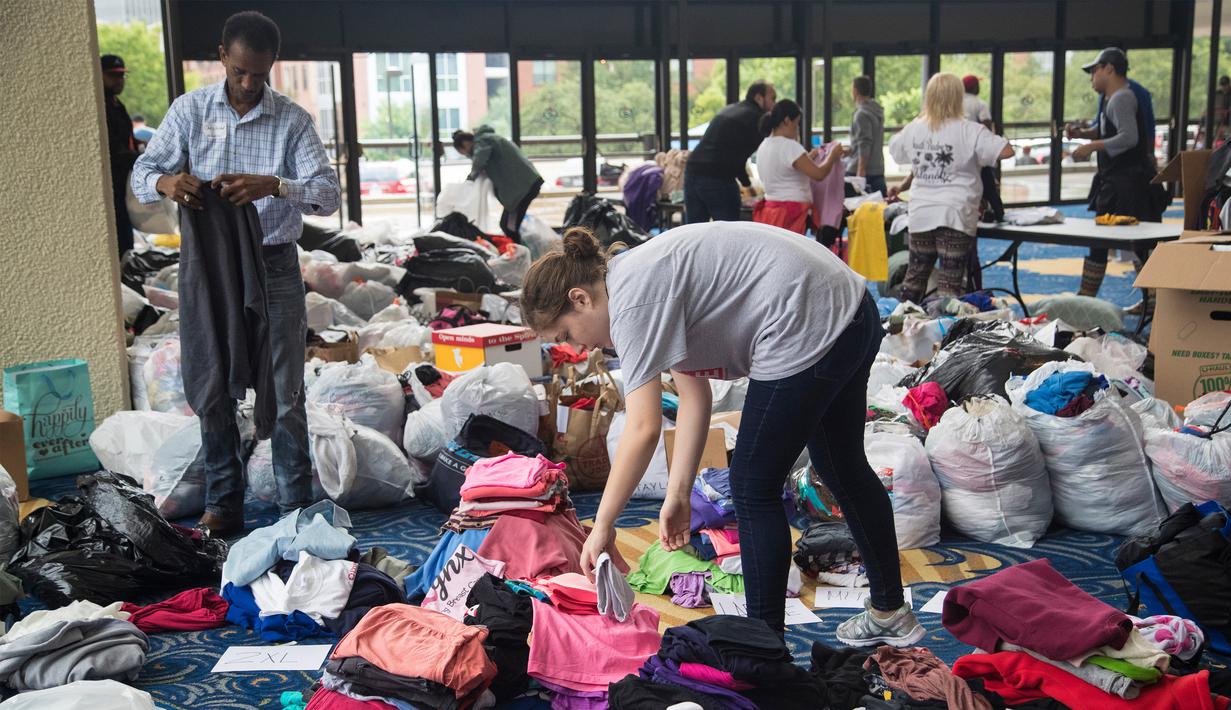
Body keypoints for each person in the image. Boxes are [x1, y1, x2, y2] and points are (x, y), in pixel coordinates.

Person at [519, 224, 923, 645]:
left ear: (580, 299)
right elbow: (696, 398)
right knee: (841, 467)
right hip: (850, 308)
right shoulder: (638, 280)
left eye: (566, 335)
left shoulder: (631, 304)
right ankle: (890, 611)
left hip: (807, 318)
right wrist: (677, 495)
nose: (580, 349)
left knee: (751, 485)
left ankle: (765, 652)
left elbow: (643, 427)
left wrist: (601, 525)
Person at [131, 10, 340, 536]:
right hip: (212, 269)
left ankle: (295, 507)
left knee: (285, 389)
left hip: (274, 266)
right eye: (240, 71)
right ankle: (224, 503)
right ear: (222, 56)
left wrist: (275, 185)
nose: (249, 84)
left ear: (273, 66)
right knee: (214, 381)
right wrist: (168, 184)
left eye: (260, 74)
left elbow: (328, 194)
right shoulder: (189, 111)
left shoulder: (290, 119)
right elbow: (140, 173)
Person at [888, 73, 1013, 304]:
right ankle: (943, 334)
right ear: (959, 97)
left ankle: (901, 330)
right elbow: (1006, 151)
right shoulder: (970, 130)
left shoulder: (915, 128)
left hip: (921, 213)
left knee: (913, 282)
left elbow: (895, 151)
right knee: (950, 288)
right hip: (956, 213)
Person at [1066, 47, 1166, 298]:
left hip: (1127, 184)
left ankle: (1088, 298)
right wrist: (1084, 134)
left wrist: (1092, 146)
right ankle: (1151, 302)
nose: (1091, 78)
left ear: (1109, 69)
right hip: (1122, 182)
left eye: (1094, 71)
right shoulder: (1114, 98)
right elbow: (1109, 130)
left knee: (1127, 244)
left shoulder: (1122, 97)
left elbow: (1129, 138)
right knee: (1132, 244)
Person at [684, 81, 776, 223]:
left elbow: (733, 152)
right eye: (772, 99)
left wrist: (745, 181)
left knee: (693, 231)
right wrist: (747, 184)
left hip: (692, 170)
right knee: (729, 230)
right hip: (718, 176)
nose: (774, 105)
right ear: (759, 98)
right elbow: (743, 155)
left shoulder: (730, 109)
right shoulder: (757, 118)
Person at [752, 100, 844, 234]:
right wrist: (832, 156)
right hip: (791, 213)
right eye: (797, 124)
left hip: (771, 209)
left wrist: (808, 157)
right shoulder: (790, 146)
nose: (797, 129)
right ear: (787, 120)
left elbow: (785, 168)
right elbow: (819, 174)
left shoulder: (764, 145)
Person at [453, 127, 543, 240]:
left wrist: (470, 180)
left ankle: (520, 253)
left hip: (523, 188)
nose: (468, 155)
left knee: (508, 227)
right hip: (526, 184)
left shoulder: (482, 142)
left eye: (464, 152)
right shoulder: (489, 139)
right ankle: (519, 251)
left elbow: (479, 160)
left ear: (465, 144)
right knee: (508, 226)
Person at [101, 54, 137, 256]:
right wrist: (139, 159)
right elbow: (113, 148)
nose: (118, 80)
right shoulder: (101, 106)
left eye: (121, 76)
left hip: (123, 178)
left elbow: (125, 139)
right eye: (113, 76)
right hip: (112, 180)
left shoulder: (117, 105)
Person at [961, 75, 1004, 222]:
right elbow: (986, 125)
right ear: (974, 87)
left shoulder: (955, 103)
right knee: (988, 182)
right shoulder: (979, 103)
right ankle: (998, 212)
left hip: (959, 150)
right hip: (975, 148)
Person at [849, 76, 886, 196]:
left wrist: (860, 174)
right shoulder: (876, 111)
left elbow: (865, 143)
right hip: (877, 169)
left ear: (855, 90)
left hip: (861, 172)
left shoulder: (861, 114)